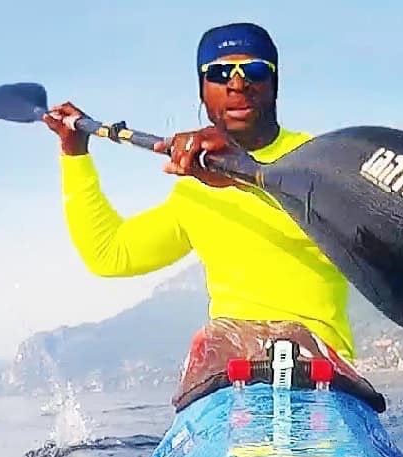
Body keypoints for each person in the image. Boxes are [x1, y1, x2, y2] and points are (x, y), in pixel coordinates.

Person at [43, 22, 358, 406]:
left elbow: (345, 223)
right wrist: (74, 155)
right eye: (220, 73)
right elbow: (110, 254)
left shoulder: (320, 159)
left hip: (320, 365)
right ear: (202, 90)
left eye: (254, 70)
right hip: (231, 370)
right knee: (210, 344)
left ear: (274, 83)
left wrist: (242, 174)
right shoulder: (192, 189)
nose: (237, 84)